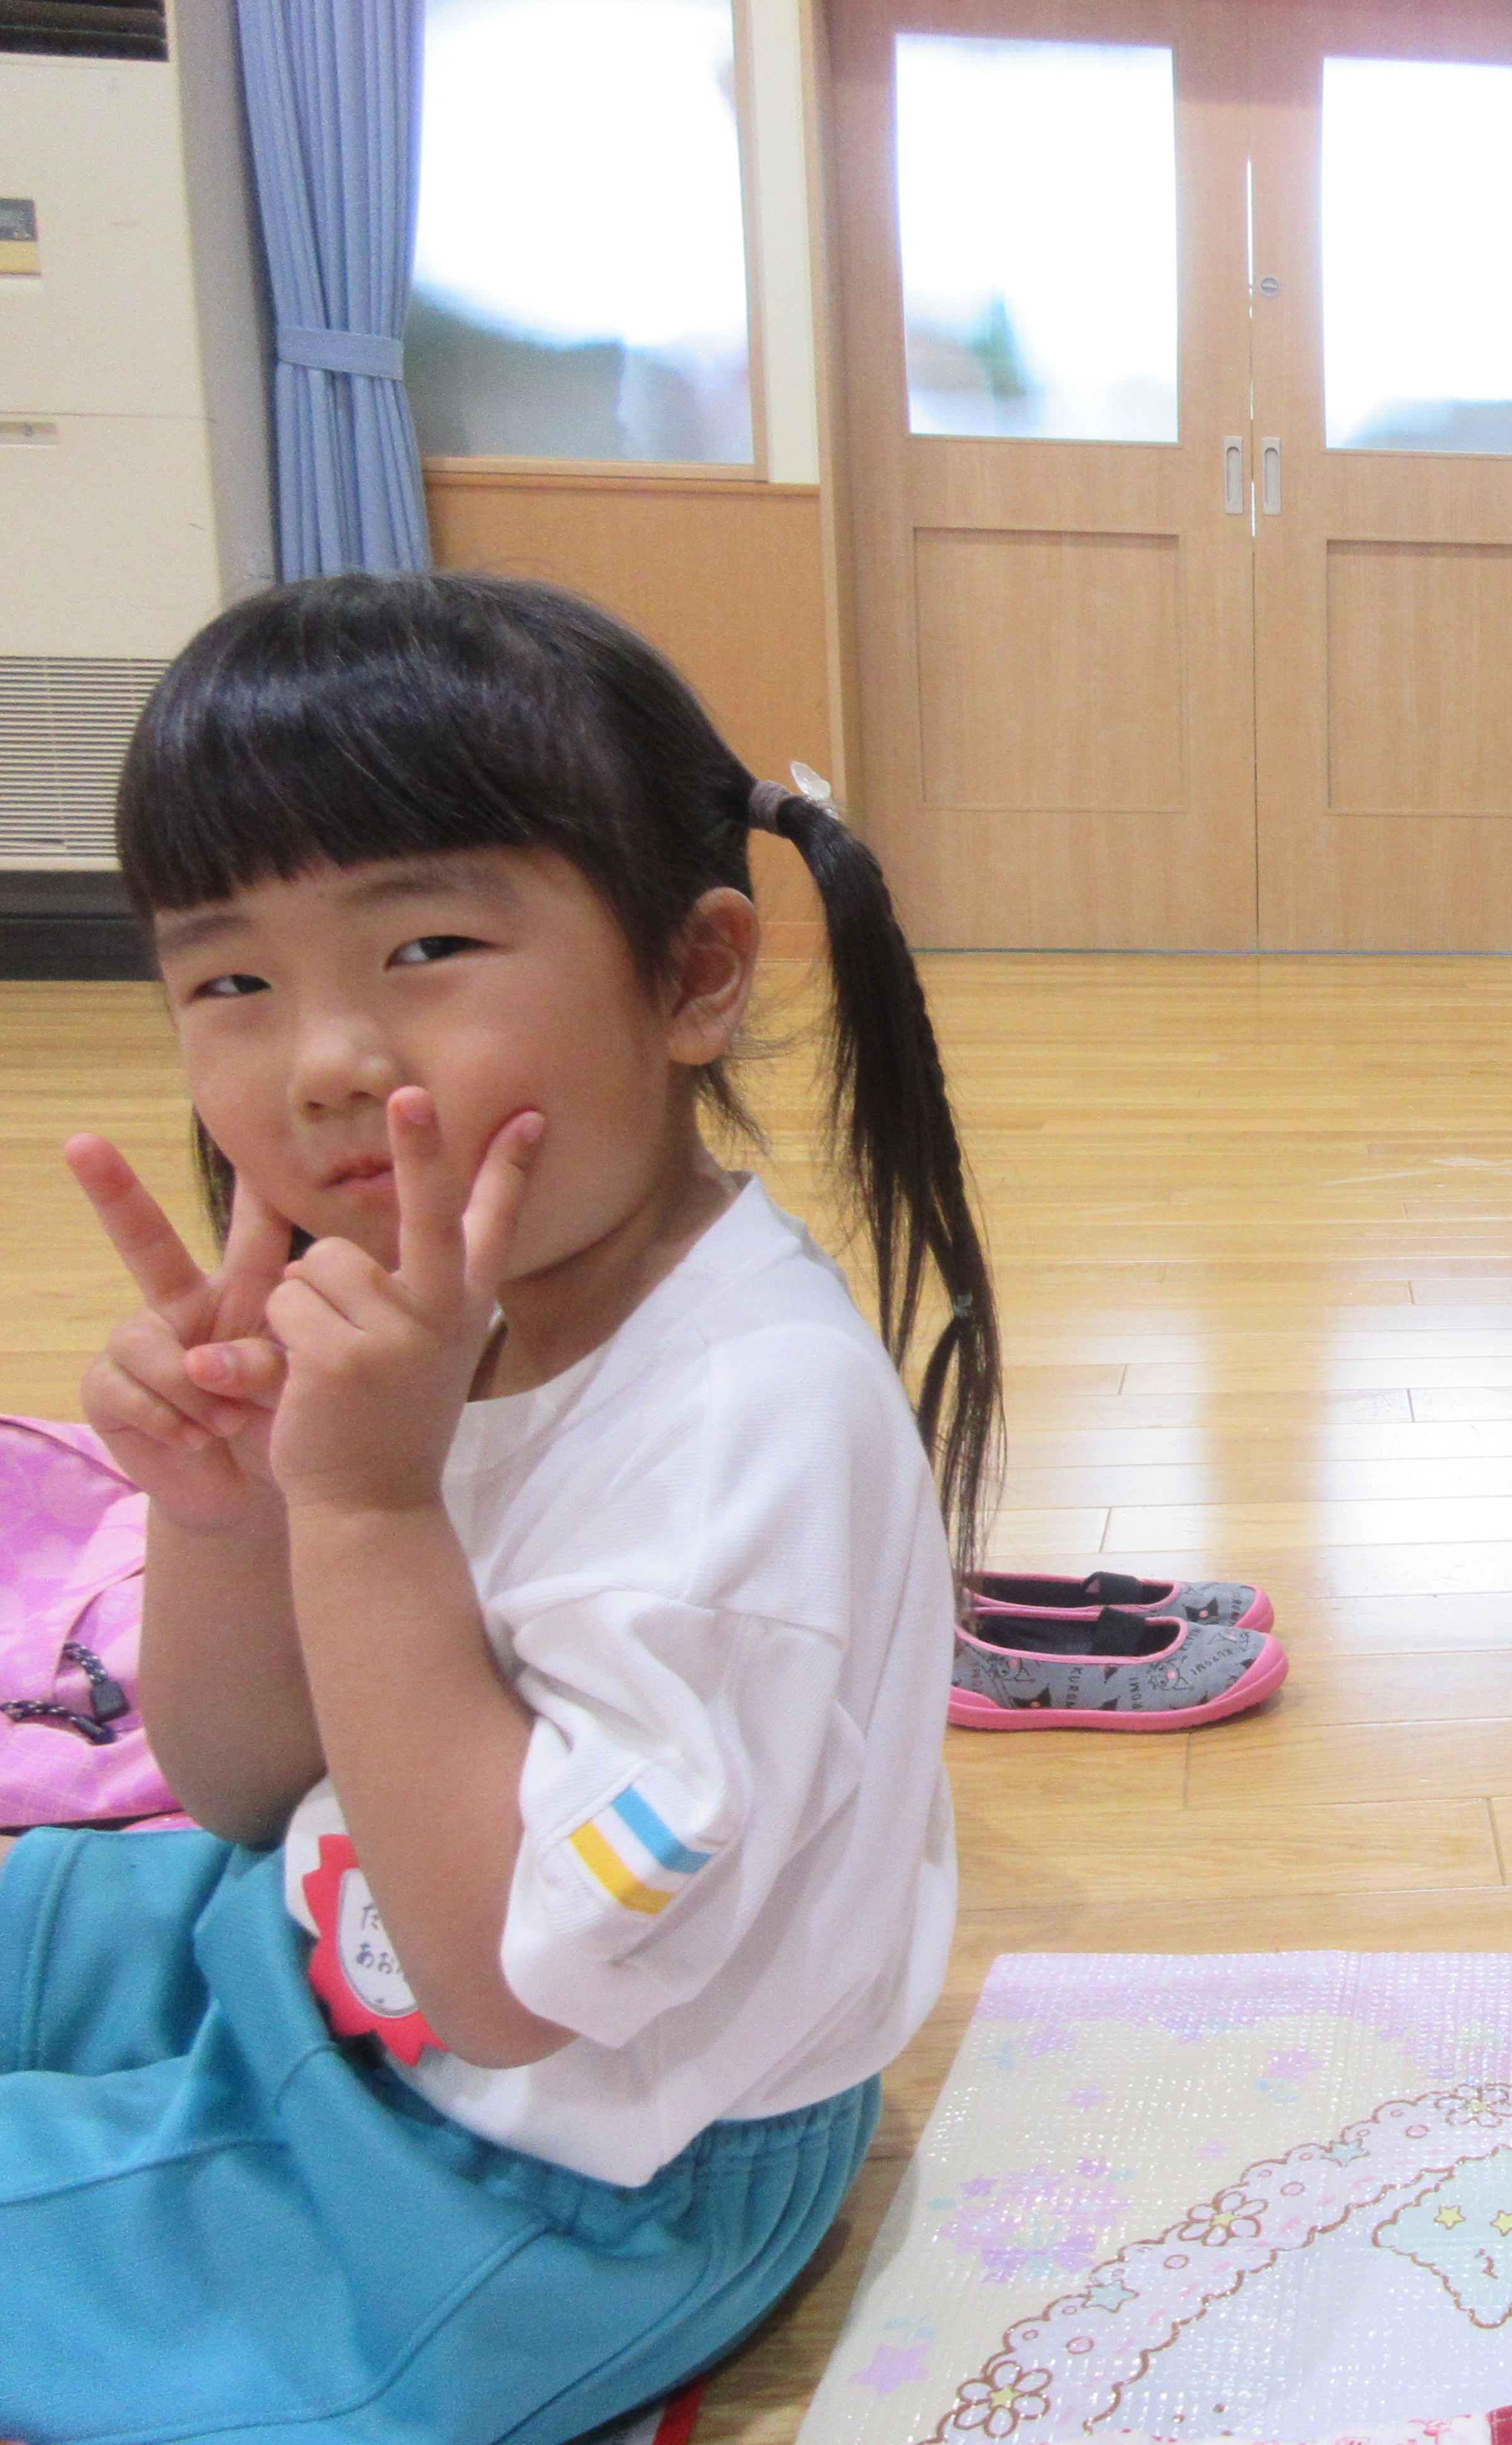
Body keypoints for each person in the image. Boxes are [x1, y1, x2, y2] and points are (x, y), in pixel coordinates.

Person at [0, 572, 998, 2444]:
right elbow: (242, 1789)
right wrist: (225, 1514)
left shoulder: (748, 1440)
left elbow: (504, 1992)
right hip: (322, 1939)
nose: (322, 1064)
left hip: (546, 2186)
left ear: (695, 976)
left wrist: (365, 1512)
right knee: (52, 1908)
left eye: (427, 947)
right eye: (231, 980)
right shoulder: (446, 1297)